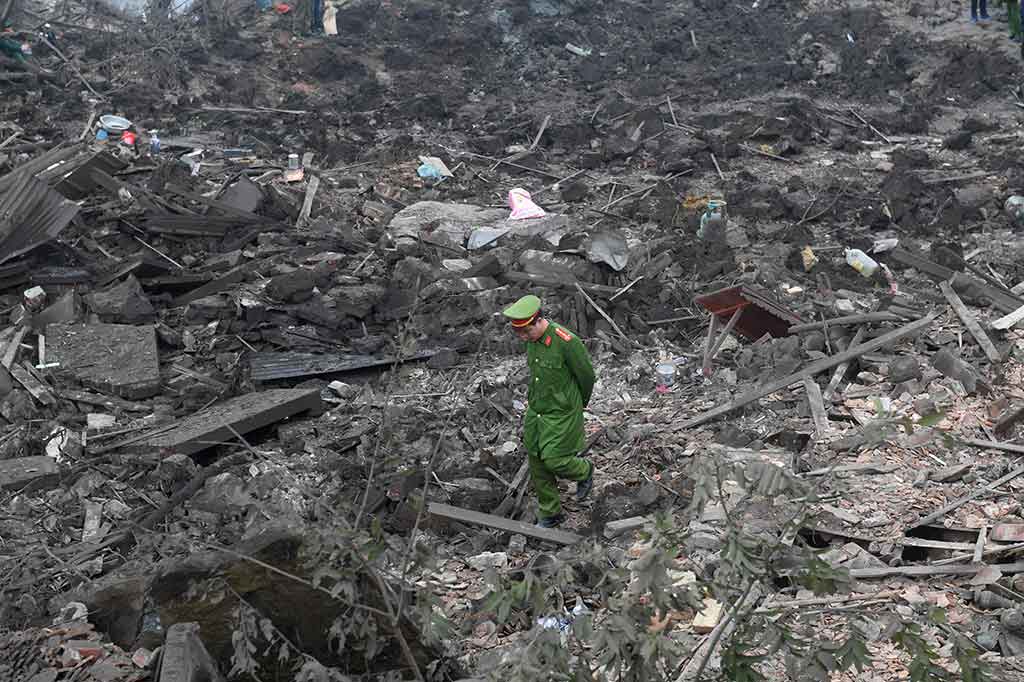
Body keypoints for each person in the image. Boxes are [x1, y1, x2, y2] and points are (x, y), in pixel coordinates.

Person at [503, 294, 596, 528]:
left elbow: (587, 376)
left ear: (538, 320)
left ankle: (585, 470)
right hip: (537, 410)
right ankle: (551, 513)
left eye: (526, 331)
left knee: (555, 460)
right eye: (519, 333)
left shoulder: (566, 341)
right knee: (536, 461)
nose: (523, 337)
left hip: (561, 411)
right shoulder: (532, 341)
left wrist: (577, 405)